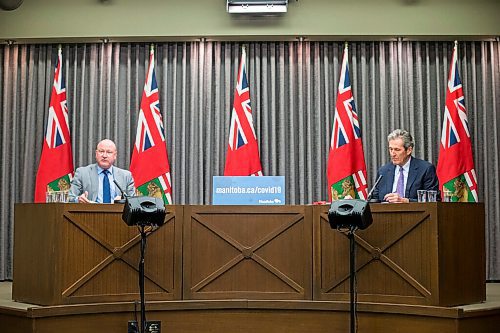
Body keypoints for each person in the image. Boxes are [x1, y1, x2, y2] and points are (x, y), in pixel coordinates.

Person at [371, 129, 440, 203]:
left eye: (397, 150)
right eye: (391, 149)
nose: (392, 154)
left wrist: (406, 201)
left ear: (409, 150)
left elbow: (434, 200)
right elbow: (374, 199)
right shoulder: (383, 171)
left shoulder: (425, 169)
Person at [69, 139, 135, 203]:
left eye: (109, 152)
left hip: (118, 213)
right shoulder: (82, 173)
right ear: (96, 154)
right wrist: (78, 199)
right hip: (90, 213)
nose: (104, 155)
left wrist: (124, 200)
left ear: (115, 156)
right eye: (101, 151)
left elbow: (133, 201)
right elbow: (70, 198)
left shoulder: (126, 176)